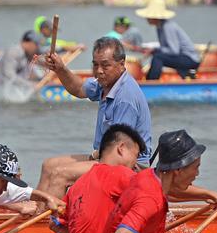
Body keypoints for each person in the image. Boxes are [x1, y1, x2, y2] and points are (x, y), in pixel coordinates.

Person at [38, 37, 152, 199]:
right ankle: (35, 216)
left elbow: (120, 153)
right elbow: (78, 88)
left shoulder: (125, 98)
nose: (99, 71)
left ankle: (52, 222)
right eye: (95, 65)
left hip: (130, 166)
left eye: (105, 65)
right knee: (49, 165)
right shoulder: (105, 83)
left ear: (121, 64)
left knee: (59, 175)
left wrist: (93, 157)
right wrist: (60, 69)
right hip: (104, 156)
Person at [50, 125, 145, 233]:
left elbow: (55, 224)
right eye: (136, 155)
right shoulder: (119, 174)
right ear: (121, 148)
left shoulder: (76, 187)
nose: (135, 163)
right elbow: (159, 190)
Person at [136, 0, 200, 80]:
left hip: (189, 59)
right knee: (157, 55)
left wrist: (156, 50)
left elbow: (174, 51)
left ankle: (152, 82)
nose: (146, 19)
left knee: (158, 58)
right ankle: (150, 79)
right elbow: (166, 49)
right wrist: (154, 50)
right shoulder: (159, 27)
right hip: (181, 57)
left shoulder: (168, 27)